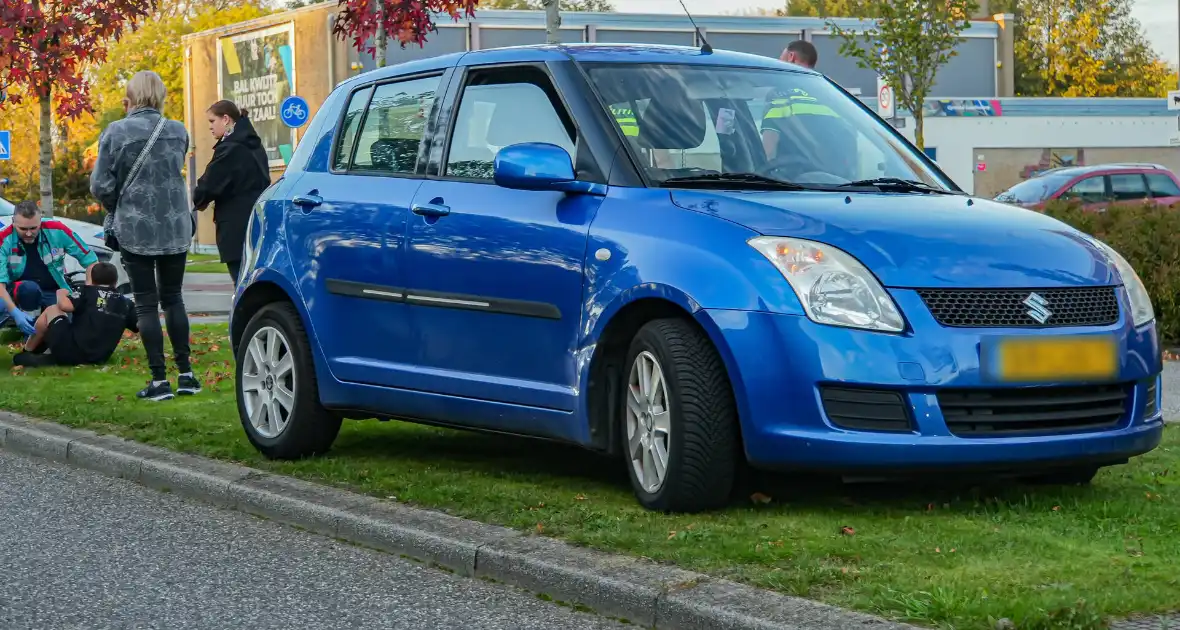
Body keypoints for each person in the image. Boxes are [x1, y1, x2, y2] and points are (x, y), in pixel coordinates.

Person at [90, 70, 200, 401]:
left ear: (131, 96)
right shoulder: (178, 131)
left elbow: (100, 185)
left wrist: (118, 204)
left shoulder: (116, 132)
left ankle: (158, 380)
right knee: (174, 298)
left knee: (147, 303)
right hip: (175, 225)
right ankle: (187, 374)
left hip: (136, 226)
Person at [192, 100, 271, 285]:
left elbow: (208, 184)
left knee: (241, 284)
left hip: (235, 227)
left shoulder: (230, 148)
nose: (210, 127)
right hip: (256, 221)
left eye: (212, 121)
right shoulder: (254, 144)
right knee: (255, 283)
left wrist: (199, 198)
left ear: (226, 119)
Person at [0, 200, 98, 337]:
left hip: (54, 291)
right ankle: (30, 335)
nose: (29, 233)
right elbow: (0, 285)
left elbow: (91, 261)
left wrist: (91, 291)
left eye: (33, 228)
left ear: (41, 220)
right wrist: (15, 313)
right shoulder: (3, 239)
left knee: (70, 330)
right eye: (23, 229)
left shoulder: (57, 230)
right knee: (29, 290)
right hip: (18, 291)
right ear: (13, 222)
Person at [14, 262, 138, 369]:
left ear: (91, 280)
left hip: (70, 351)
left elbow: (65, 306)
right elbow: (140, 325)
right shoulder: (126, 303)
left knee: (52, 310)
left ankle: (28, 350)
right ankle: (41, 352)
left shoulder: (87, 291)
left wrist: (61, 293)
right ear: (115, 281)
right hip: (98, 358)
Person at [761, 39, 856, 179]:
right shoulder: (832, 96)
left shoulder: (780, 96)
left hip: (793, 184)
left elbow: (769, 149)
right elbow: (850, 142)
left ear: (791, 57)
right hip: (837, 184)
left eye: (781, 57)